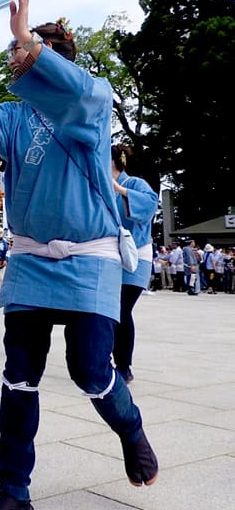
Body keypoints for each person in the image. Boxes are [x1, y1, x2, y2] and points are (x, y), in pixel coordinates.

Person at [0, 0, 157, 510]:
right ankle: (14, 491)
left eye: (26, 50)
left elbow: (80, 92)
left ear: (54, 62)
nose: (15, 56)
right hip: (32, 259)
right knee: (19, 377)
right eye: (16, 50)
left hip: (90, 257)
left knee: (88, 369)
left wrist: (23, 35)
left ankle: (130, 428)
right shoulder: (14, 117)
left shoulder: (92, 104)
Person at [110, 144, 159, 384]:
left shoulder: (136, 184)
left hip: (136, 254)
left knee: (121, 308)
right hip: (108, 254)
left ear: (113, 161)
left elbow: (149, 206)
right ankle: (103, 359)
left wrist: (120, 190)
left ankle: (123, 365)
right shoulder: (99, 185)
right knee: (104, 309)